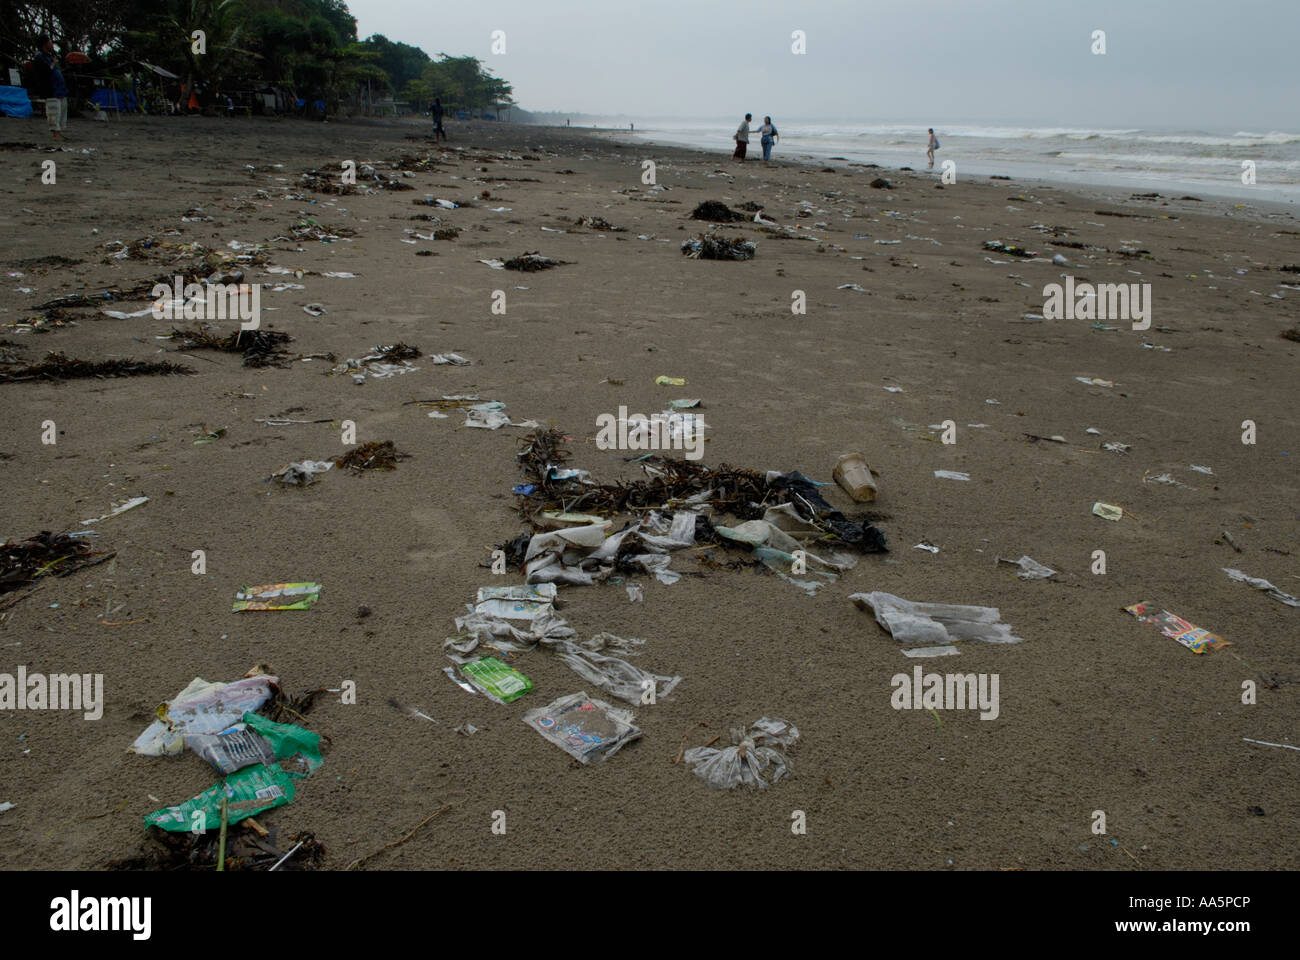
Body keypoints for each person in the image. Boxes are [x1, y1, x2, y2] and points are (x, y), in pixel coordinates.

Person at [30, 36, 69, 141]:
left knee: (62, 110)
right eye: (50, 42)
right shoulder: (40, 57)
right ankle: (55, 133)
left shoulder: (49, 56)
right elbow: (46, 71)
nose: (52, 44)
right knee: (53, 111)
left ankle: (59, 131)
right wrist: (53, 63)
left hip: (60, 89)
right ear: (45, 44)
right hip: (51, 89)